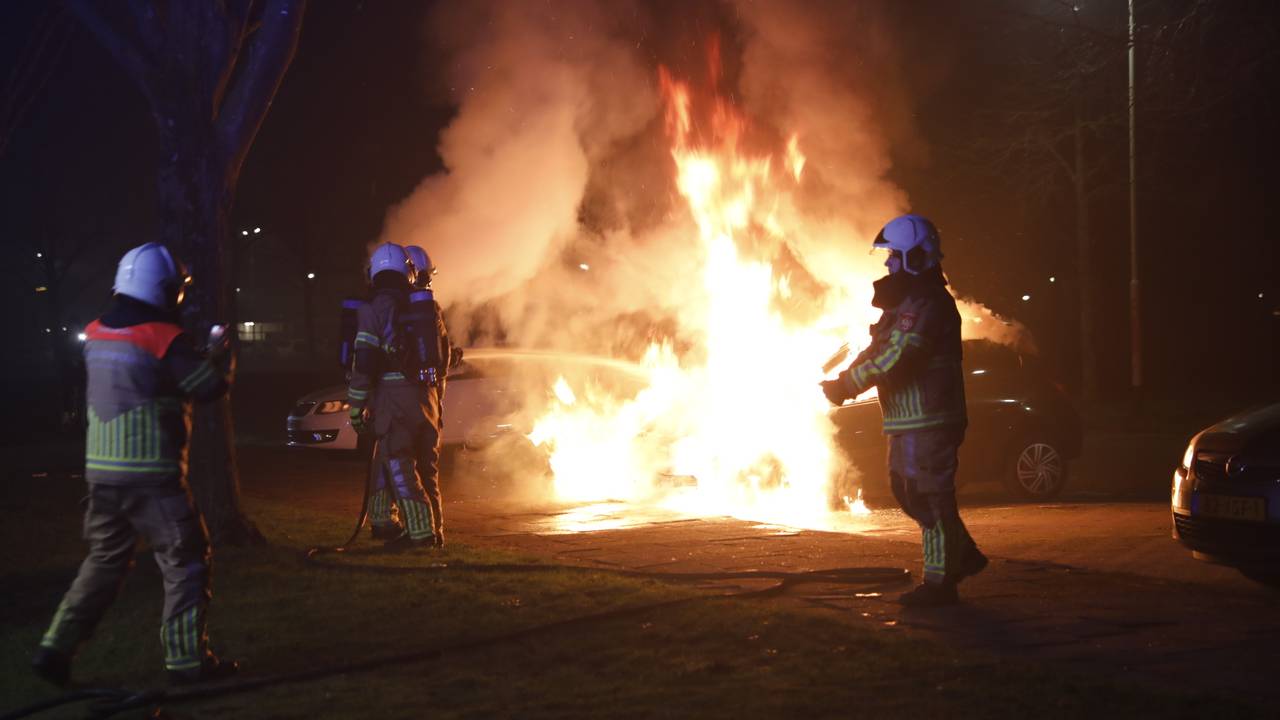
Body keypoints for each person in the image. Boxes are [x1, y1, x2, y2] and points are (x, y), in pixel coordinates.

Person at [33, 242, 238, 685]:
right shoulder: (163, 338)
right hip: (152, 478)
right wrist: (221, 355)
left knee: (103, 562)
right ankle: (187, 661)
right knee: (186, 559)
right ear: (165, 289)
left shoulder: (97, 333)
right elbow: (206, 386)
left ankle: (55, 647)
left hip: (101, 477)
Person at [821, 214, 987, 607]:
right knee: (907, 490)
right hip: (906, 422)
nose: (888, 263)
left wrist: (848, 385)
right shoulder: (904, 305)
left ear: (915, 257)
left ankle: (940, 584)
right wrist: (843, 377)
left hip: (931, 420)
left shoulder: (929, 305)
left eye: (894, 255)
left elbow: (899, 357)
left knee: (929, 496)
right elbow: (877, 348)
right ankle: (963, 555)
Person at [348, 243, 450, 550]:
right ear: (409, 272)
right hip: (427, 398)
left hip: (393, 401)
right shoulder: (427, 308)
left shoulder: (371, 310)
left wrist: (356, 407)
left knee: (399, 463)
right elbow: (442, 361)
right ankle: (434, 530)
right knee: (425, 468)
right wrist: (436, 403)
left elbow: (364, 362)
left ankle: (421, 533)